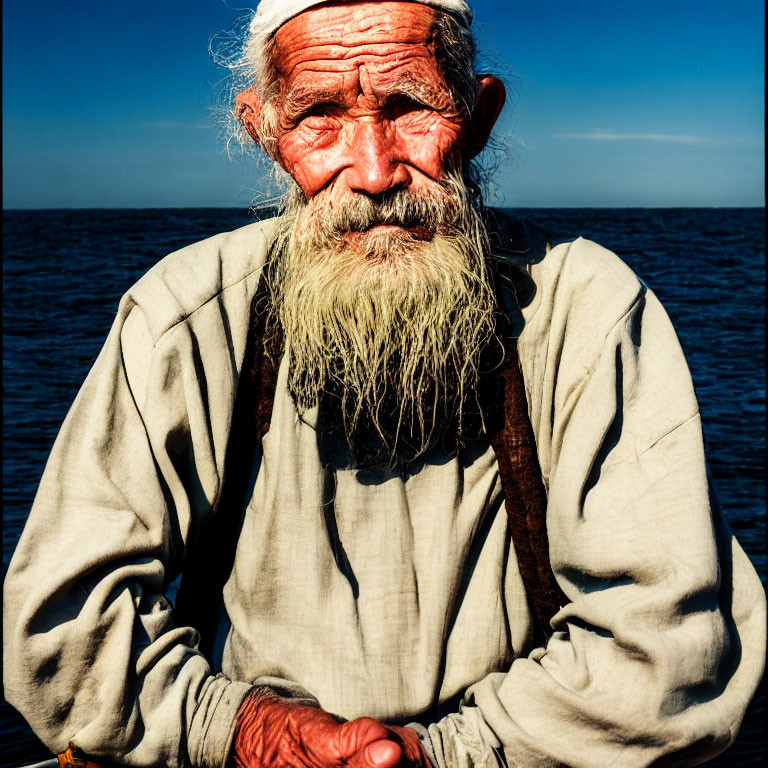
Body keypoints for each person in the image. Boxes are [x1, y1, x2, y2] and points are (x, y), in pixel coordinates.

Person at [4, 1, 765, 767]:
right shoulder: (186, 316)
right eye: (319, 117)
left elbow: (668, 645)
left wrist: (447, 755)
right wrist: (245, 733)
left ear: (478, 114)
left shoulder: (589, 311)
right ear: (262, 131)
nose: (373, 170)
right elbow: (58, 627)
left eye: (409, 107)